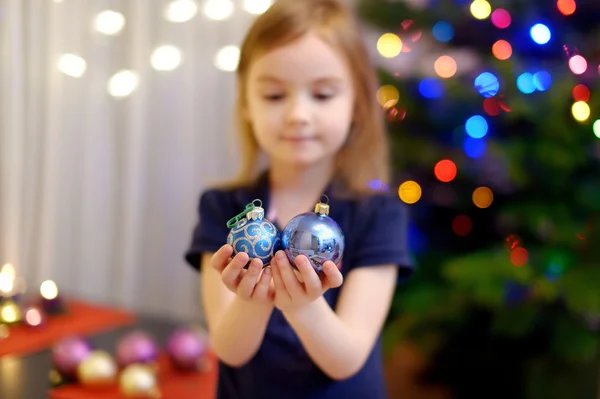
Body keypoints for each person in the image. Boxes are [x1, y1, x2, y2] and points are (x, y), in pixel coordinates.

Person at [185, 0, 413, 397]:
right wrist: (254, 299)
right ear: (246, 104)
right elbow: (229, 349)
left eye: (322, 95)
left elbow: (345, 359)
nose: (297, 115)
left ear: (357, 104)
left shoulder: (379, 215)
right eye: (274, 95)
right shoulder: (223, 209)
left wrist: (302, 306)